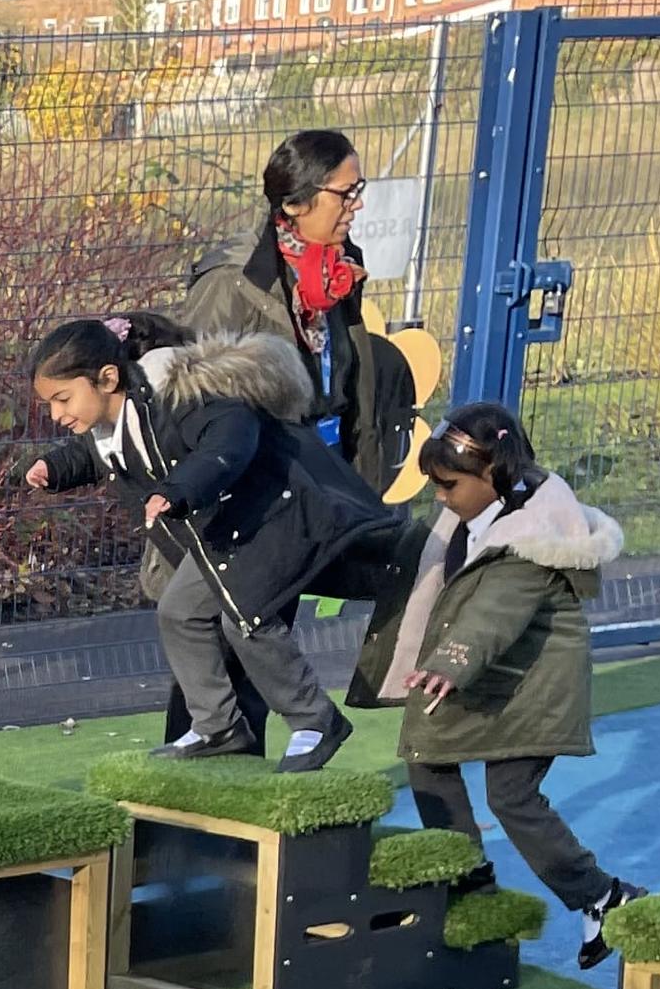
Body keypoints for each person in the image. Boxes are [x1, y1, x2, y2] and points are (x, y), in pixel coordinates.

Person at [21, 311, 387, 772]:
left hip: (275, 516)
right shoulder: (111, 423)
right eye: (50, 404)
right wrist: (55, 469)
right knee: (179, 612)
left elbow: (230, 439)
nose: (57, 414)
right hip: (225, 528)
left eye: (62, 398)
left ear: (107, 378)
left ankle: (315, 720)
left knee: (245, 619)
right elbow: (94, 454)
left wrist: (180, 490)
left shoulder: (178, 398)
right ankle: (218, 726)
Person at [354, 401, 646, 964]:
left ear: (490, 475)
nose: (440, 495)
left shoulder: (532, 537)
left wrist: (451, 663)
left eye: (448, 484)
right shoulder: (465, 519)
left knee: (511, 796)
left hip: (532, 688)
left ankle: (604, 896)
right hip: (497, 679)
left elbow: (494, 611)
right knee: (427, 752)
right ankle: (468, 882)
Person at [181, 128, 419, 494]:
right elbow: (192, 401)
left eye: (358, 190)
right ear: (294, 204)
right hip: (263, 485)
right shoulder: (233, 280)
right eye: (345, 194)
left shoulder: (340, 267)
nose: (357, 205)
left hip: (332, 468)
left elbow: (354, 391)